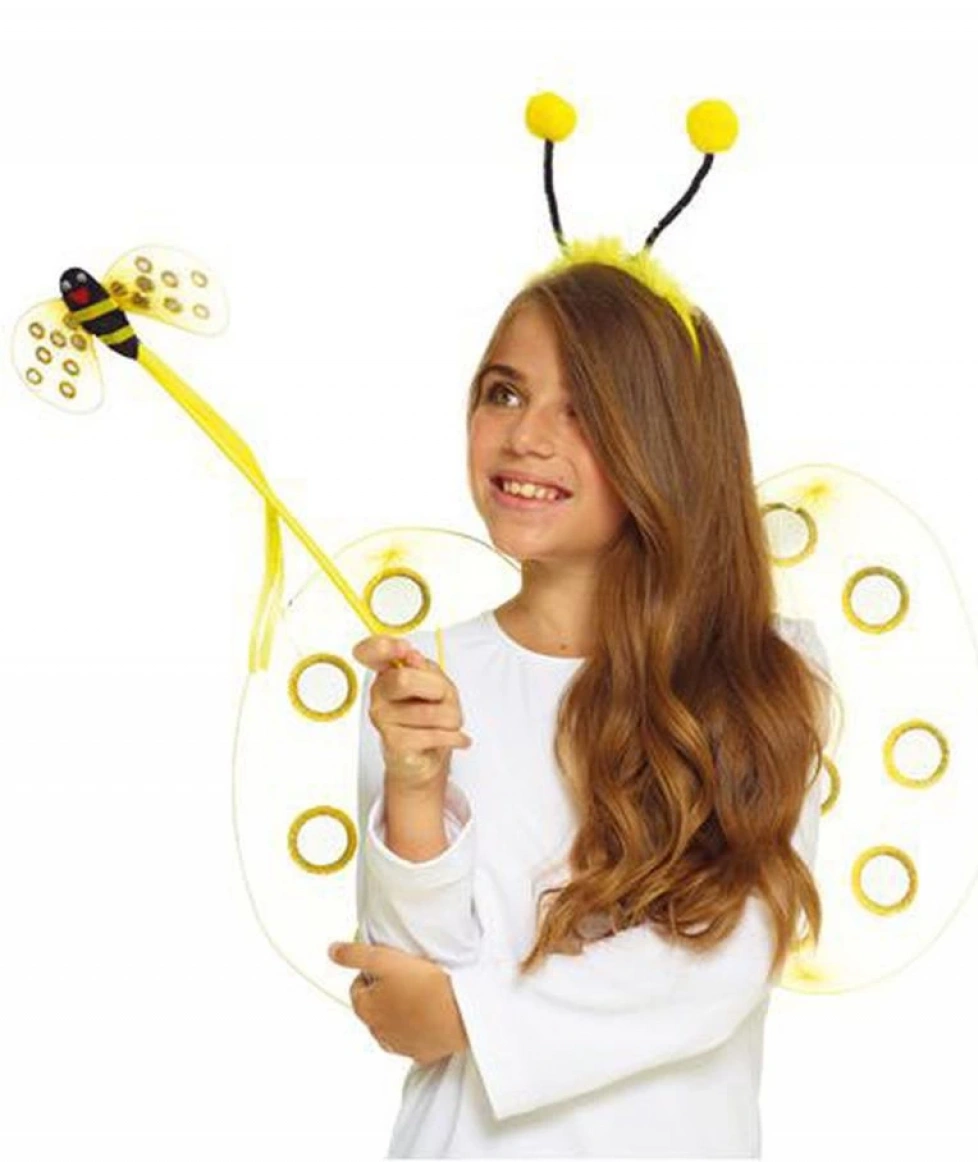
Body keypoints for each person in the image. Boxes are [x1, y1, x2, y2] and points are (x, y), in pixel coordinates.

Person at [346, 256, 835, 1158]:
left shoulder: (765, 674)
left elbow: (720, 964)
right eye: (504, 394)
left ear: (667, 444)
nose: (526, 436)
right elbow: (405, 988)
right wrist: (414, 788)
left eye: (583, 411)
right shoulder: (425, 676)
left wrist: (467, 1013)